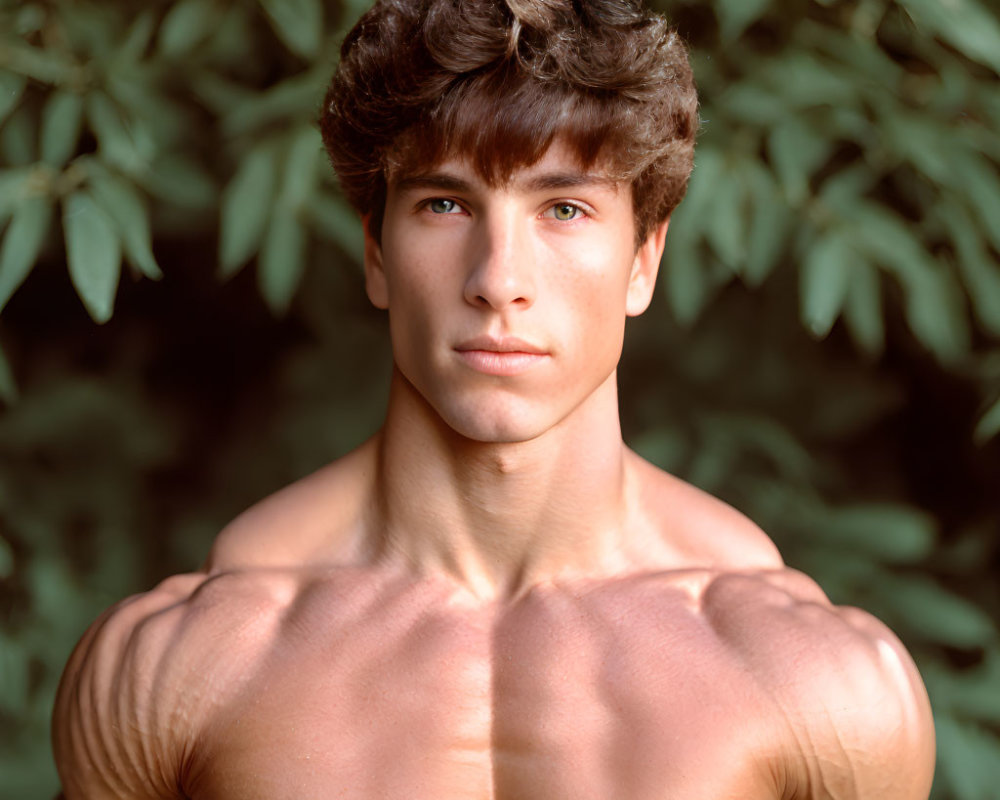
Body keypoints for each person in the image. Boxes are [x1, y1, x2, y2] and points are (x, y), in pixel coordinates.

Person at [52, 0, 936, 797]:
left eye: (565, 210)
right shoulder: (178, 670)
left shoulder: (817, 683)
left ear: (643, 260)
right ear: (375, 253)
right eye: (444, 204)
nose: (498, 279)